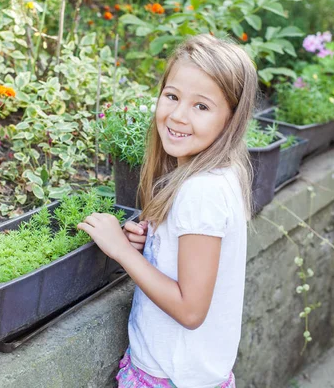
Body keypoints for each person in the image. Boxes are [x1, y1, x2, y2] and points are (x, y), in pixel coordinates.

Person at [77, 34, 257, 388]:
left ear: (231, 119)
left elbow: (190, 310)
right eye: (172, 96)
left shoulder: (201, 191)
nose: (177, 115)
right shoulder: (219, 174)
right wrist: (154, 249)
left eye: (201, 106)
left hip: (169, 378)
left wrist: (120, 251)